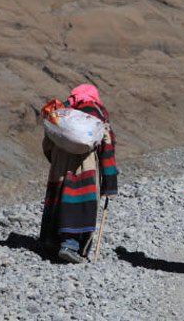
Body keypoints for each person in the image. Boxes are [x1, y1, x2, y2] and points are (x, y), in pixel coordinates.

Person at [39, 84, 118, 263]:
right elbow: (107, 145)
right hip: (85, 166)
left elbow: (48, 143)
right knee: (78, 203)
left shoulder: (63, 112)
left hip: (59, 166)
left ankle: (51, 242)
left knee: (58, 201)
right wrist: (110, 182)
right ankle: (70, 245)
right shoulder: (97, 113)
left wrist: (56, 161)